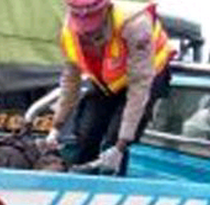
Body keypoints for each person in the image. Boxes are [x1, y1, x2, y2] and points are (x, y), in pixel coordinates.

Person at [45, 0, 174, 175]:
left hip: (148, 73)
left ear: (107, 9)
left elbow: (140, 87)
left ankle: (111, 185)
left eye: (93, 25)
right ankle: (80, 187)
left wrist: (121, 145)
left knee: (112, 144)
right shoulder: (69, 33)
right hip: (109, 78)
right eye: (84, 30)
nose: (89, 34)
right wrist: (56, 127)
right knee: (86, 134)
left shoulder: (135, 24)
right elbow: (70, 83)